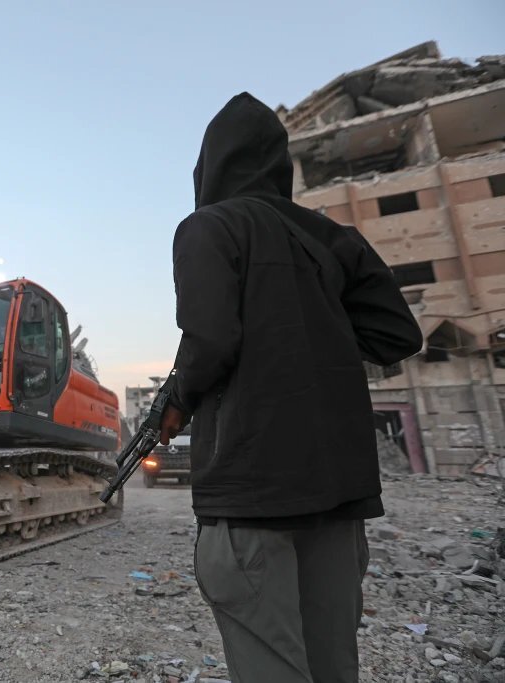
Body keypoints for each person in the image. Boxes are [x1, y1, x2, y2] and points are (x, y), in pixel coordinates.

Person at [158, 93, 423, 682]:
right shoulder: (333, 238)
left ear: (211, 167)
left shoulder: (210, 226)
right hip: (337, 492)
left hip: (253, 493)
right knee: (333, 665)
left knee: (270, 664)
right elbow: (396, 334)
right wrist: (314, 331)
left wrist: (175, 401)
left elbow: (209, 340)